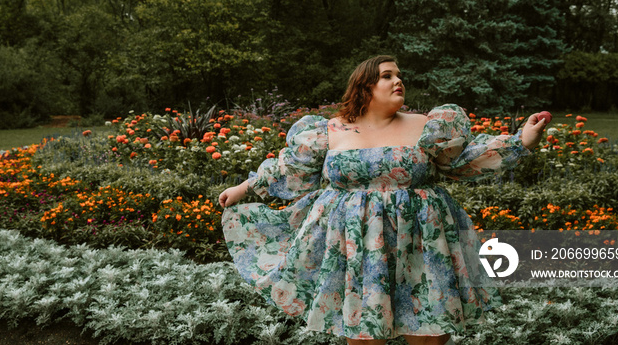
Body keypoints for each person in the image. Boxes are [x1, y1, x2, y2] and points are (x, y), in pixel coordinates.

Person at [218, 55, 546, 345]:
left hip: (421, 241)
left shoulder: (427, 126)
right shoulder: (329, 130)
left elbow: (464, 160)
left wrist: (522, 141)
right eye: (387, 75)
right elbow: (289, 170)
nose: (398, 80)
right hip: (356, 247)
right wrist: (244, 188)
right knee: (363, 333)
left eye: (399, 75)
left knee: (429, 331)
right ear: (364, 86)